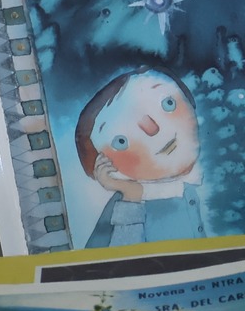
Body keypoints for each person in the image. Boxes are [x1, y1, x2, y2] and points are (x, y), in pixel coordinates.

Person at [77, 68, 208, 247]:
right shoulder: (126, 207)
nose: (153, 129)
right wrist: (131, 195)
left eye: (168, 103)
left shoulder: (206, 179)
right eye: (121, 141)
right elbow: (122, 262)